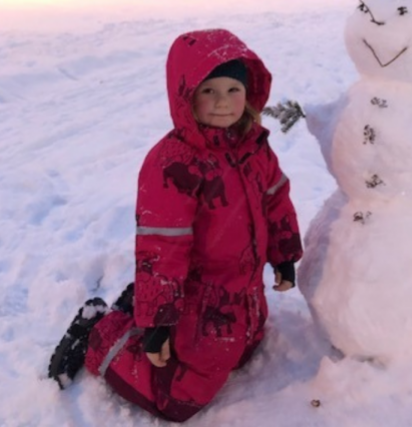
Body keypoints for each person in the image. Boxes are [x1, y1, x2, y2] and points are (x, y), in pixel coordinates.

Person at [47, 29, 303, 422]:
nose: (223, 102)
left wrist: (284, 255)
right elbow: (161, 249)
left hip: (245, 294)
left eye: (233, 89)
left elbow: (276, 200)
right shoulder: (174, 164)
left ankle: (141, 308)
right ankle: (101, 334)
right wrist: (159, 321)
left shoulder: (253, 145)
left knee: (246, 350)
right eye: (208, 91)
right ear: (186, 94)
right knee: (181, 399)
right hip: (197, 298)